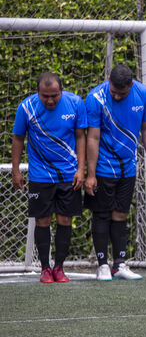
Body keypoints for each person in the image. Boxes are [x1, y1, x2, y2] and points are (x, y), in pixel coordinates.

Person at [11, 73, 87, 283]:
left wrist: (81, 169)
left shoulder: (75, 103)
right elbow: (18, 139)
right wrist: (16, 171)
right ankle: (45, 268)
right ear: (38, 93)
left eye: (54, 95)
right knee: (42, 220)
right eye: (45, 96)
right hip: (40, 175)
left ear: (61, 91)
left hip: (68, 174)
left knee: (65, 219)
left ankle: (59, 268)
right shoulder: (26, 108)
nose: (50, 100)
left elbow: (81, 136)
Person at [84, 64, 146, 281]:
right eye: (113, 91)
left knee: (120, 214)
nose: (116, 96)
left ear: (131, 86)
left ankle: (120, 264)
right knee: (102, 214)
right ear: (108, 79)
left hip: (128, 167)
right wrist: (91, 174)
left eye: (121, 93)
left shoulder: (142, 94)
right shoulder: (95, 97)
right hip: (104, 168)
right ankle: (102, 265)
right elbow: (93, 137)